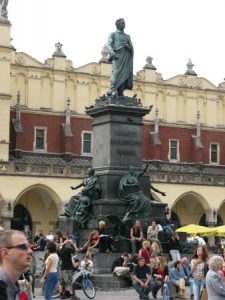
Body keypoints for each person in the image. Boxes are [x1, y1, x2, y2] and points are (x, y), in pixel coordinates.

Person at [0, 229, 32, 300]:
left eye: (30, 247)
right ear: (5, 252)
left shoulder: (20, 289)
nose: (30, 251)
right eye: (24, 247)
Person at [106, 18, 133, 97]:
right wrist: (112, 53)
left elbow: (131, 48)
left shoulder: (127, 36)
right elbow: (108, 44)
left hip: (126, 57)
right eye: (122, 23)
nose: (123, 24)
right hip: (117, 56)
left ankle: (120, 91)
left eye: (124, 23)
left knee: (125, 73)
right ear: (117, 24)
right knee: (116, 73)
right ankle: (113, 89)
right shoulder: (113, 34)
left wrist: (127, 46)